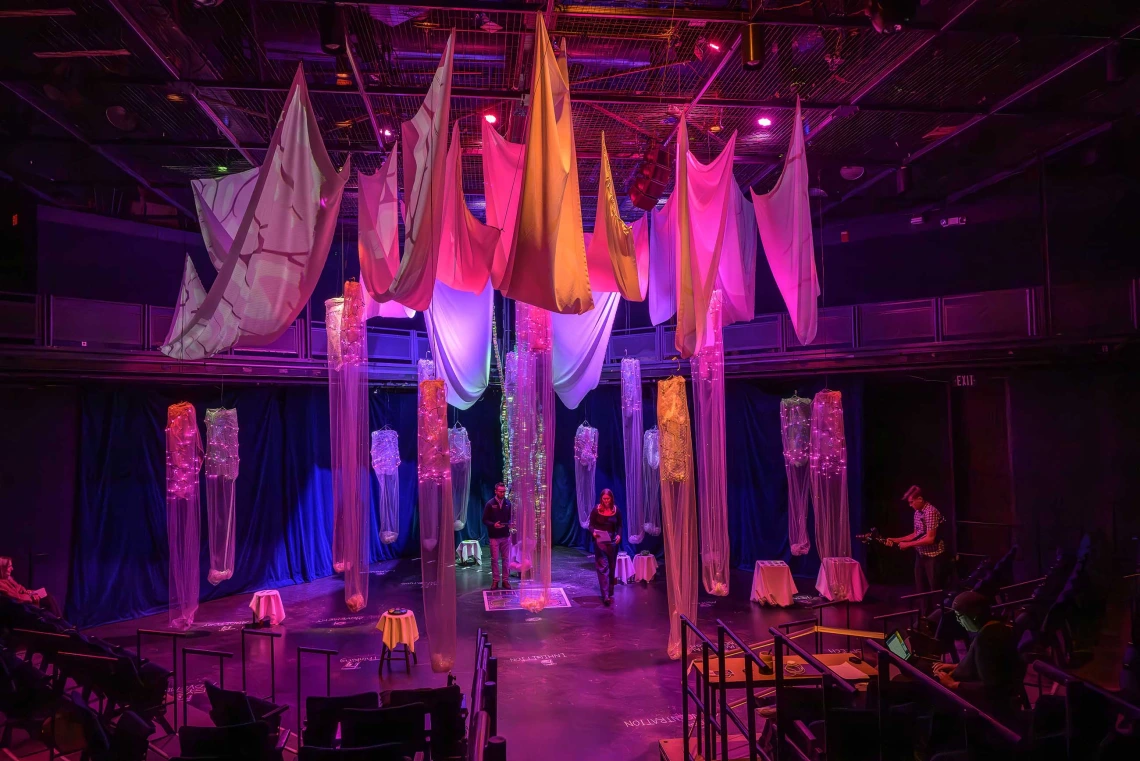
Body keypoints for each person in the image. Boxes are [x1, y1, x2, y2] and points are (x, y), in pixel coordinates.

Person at [931, 591, 1024, 722]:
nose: (958, 621)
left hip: (987, 706)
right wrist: (956, 666)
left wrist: (953, 684)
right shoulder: (999, 627)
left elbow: (992, 687)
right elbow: (992, 666)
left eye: (959, 616)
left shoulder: (986, 640)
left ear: (973, 616)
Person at [886, 486, 947, 611]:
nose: (910, 505)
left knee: (934, 589)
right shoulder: (917, 513)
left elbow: (930, 538)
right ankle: (925, 617)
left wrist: (908, 545)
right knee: (921, 590)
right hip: (921, 555)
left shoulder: (930, 512)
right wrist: (896, 540)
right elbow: (915, 534)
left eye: (911, 502)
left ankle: (937, 618)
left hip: (933, 556)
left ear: (920, 499)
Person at [589, 489, 622, 607]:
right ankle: (605, 595)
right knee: (603, 566)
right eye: (604, 499)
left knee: (612, 566)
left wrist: (619, 535)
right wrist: (593, 532)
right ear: (601, 499)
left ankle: (610, 591)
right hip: (600, 540)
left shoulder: (616, 510)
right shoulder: (596, 510)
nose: (606, 501)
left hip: (612, 541)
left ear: (611, 498)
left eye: (608, 499)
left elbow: (619, 525)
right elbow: (591, 525)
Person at [482, 483, 512, 591]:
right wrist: (493, 524)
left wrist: (510, 523)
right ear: (495, 491)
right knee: (494, 559)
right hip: (494, 536)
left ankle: (505, 580)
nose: (502, 493)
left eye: (504, 491)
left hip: (505, 536)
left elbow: (509, 518)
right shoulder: (490, 504)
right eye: (500, 491)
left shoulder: (508, 503)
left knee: (506, 559)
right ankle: (495, 580)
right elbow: (484, 520)